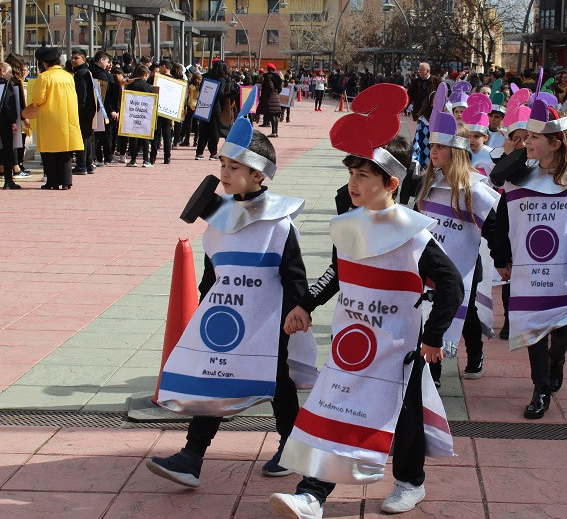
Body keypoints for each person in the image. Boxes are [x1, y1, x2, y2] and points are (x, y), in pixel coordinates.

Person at [270, 84, 462, 519]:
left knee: (406, 420)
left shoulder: (414, 235)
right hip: (350, 346)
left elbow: (451, 284)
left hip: (400, 351)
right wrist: (306, 305)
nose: (353, 184)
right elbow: (337, 273)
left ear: (390, 183)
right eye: (351, 175)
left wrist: (433, 339)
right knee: (329, 407)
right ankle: (311, 494)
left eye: (363, 177)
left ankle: (411, 483)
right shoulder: (347, 226)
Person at [147, 94, 314, 487]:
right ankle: (191, 458)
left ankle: (290, 445)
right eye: (222, 164)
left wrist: (296, 312)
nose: (224, 172)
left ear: (258, 174)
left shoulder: (279, 222)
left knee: (278, 385)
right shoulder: (218, 222)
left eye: (234, 166)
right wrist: (201, 311)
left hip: (268, 325)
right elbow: (212, 274)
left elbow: (294, 275)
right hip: (224, 324)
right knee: (213, 380)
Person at [490, 93, 567, 419]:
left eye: (534, 137)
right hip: (528, 271)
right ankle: (540, 388)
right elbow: (504, 220)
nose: (526, 142)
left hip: (566, 269)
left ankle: (558, 361)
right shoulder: (518, 179)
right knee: (534, 328)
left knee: (562, 327)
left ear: (555, 144)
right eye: (525, 136)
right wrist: (501, 258)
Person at [417, 103, 499, 385]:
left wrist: (503, 260)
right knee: (431, 311)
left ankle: (475, 353)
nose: (434, 151)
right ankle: (434, 373)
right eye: (432, 145)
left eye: (441, 145)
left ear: (457, 148)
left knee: (466, 311)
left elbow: (495, 229)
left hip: (464, 265)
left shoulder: (474, 189)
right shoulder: (428, 182)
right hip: (431, 263)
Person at [23, 47, 83, 190]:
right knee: (64, 150)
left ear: (44, 63)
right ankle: (66, 181)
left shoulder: (44, 77)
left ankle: (53, 181)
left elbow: (38, 99)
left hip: (50, 117)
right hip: (67, 118)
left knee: (49, 151)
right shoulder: (68, 76)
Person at [195, 60, 231, 160]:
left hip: (204, 104)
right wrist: (231, 94)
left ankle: (199, 152)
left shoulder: (206, 76)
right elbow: (220, 94)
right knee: (214, 131)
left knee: (203, 130)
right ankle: (213, 153)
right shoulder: (222, 79)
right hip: (215, 107)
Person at [70, 49, 97, 175]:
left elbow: (82, 94)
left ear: (84, 59)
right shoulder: (87, 72)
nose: (73, 60)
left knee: (82, 138)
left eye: (76, 58)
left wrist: (78, 108)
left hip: (83, 110)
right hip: (89, 109)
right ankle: (87, 163)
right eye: (72, 58)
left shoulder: (81, 73)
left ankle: (82, 165)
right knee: (87, 137)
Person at [89, 51, 118, 168]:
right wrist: (111, 109)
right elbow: (106, 96)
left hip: (92, 109)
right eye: (107, 61)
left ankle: (95, 158)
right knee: (103, 135)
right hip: (102, 110)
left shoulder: (89, 72)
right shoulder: (102, 75)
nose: (108, 64)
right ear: (101, 60)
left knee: (94, 136)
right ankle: (103, 157)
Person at [125, 64, 154, 167]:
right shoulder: (147, 86)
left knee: (133, 137)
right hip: (144, 115)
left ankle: (133, 160)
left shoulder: (131, 85)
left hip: (133, 114)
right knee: (145, 137)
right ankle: (146, 160)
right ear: (145, 75)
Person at [463, 93, 495, 176]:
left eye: (476, 136)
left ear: (486, 138)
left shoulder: (492, 155)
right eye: (469, 136)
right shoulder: (462, 151)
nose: (471, 140)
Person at [0, 62, 21, 189]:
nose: (11, 75)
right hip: (4, 121)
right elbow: (9, 104)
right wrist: (13, 120)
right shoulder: (7, 85)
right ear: (2, 72)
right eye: (9, 72)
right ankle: (8, 180)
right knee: (7, 150)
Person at [180, 72, 202, 146]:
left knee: (188, 123)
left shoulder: (191, 86)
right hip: (198, 105)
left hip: (190, 104)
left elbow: (187, 96)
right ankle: (196, 141)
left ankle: (187, 139)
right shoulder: (201, 87)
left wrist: (185, 106)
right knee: (197, 124)